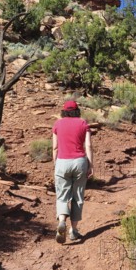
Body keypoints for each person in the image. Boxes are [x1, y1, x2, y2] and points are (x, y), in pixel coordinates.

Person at [52, 100, 93, 244]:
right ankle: (74, 231)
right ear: (77, 110)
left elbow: (55, 148)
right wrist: (90, 164)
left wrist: (55, 164)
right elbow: (88, 145)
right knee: (78, 197)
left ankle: (62, 220)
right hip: (79, 162)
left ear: (64, 111)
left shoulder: (58, 123)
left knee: (62, 196)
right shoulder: (83, 123)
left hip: (62, 162)